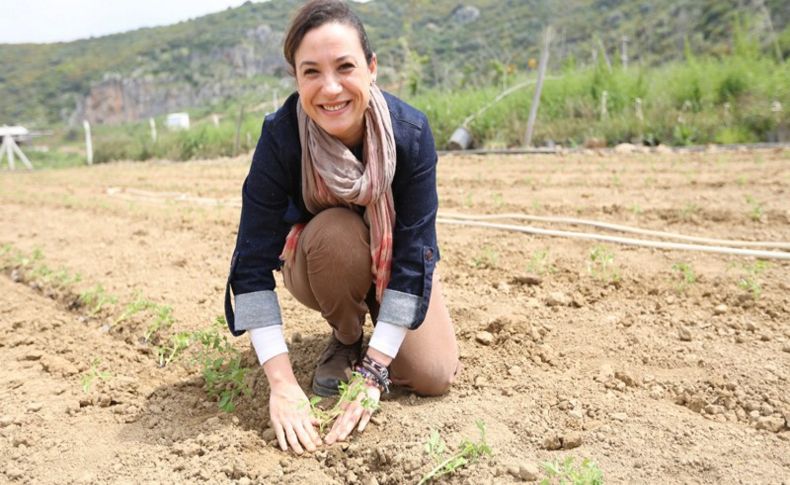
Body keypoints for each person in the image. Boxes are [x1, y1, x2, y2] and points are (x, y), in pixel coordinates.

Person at [224, 0, 459, 454]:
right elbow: (250, 267)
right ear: (296, 78)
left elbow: (414, 253)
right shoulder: (280, 138)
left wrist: (375, 375)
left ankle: (377, 338)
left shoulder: (409, 133)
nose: (330, 88)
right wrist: (282, 385)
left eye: (345, 67)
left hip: (394, 264)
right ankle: (347, 337)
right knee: (334, 231)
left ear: (371, 68)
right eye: (311, 72)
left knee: (432, 375)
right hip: (324, 259)